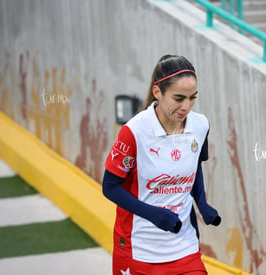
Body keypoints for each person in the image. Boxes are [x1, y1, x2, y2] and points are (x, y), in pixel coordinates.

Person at [102, 54, 221, 275]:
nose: (186, 106)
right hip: (137, 250)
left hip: (183, 246)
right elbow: (110, 187)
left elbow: (195, 167)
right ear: (158, 92)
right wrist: (154, 215)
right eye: (178, 98)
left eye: (192, 97)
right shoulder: (133, 132)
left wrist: (202, 203)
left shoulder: (200, 125)